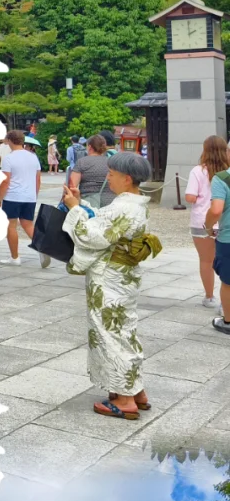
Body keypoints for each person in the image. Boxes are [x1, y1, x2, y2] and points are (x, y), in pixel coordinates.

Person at [62, 151, 162, 417]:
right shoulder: (135, 204)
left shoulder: (123, 206)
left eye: (112, 174)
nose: (109, 178)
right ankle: (135, 389)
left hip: (110, 278)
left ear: (126, 178)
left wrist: (74, 209)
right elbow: (103, 219)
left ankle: (125, 400)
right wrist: (82, 206)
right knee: (124, 330)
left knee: (110, 334)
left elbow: (93, 236)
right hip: (124, 276)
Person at [186, 135, 229, 309]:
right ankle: (226, 298)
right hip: (224, 222)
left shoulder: (197, 171)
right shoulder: (226, 173)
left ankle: (210, 297)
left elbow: (190, 196)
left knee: (206, 261)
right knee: (226, 262)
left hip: (202, 221)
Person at [0, 128, 43, 266]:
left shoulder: (9, 158)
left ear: (10, 140)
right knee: (28, 224)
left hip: (13, 196)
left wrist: (0, 198)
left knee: (11, 225)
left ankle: (15, 257)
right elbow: (38, 178)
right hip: (29, 196)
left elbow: (5, 181)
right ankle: (43, 248)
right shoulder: (33, 157)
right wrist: (34, 194)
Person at [203, 159, 230, 336]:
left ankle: (228, 321)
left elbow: (216, 210)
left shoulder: (222, 178)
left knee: (228, 281)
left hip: (228, 238)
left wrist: (208, 225)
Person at [69, 133, 111, 206]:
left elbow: (72, 186)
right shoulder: (111, 163)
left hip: (88, 203)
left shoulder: (82, 162)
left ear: (90, 147)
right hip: (110, 202)